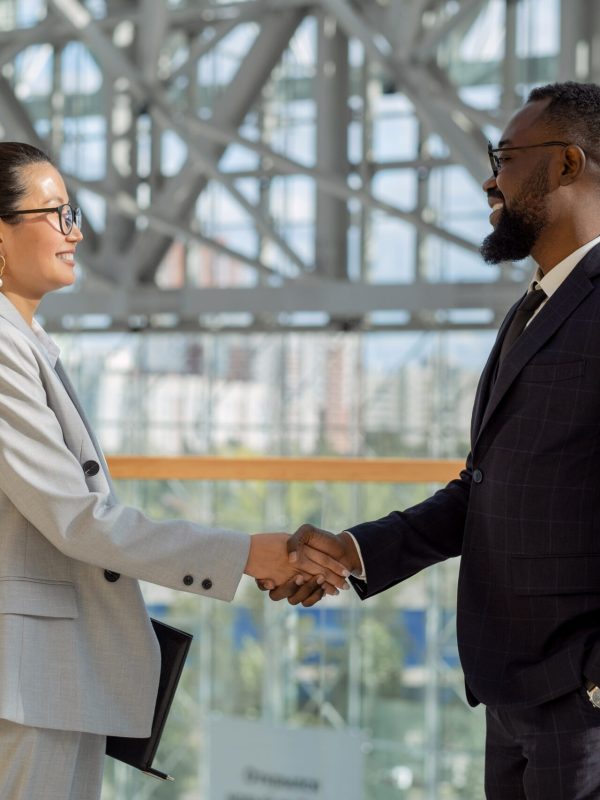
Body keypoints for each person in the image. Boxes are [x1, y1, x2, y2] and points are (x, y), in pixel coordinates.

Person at [266, 81, 600, 799]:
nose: (490, 178)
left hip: (582, 706)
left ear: (569, 166)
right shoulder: (533, 309)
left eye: (505, 157)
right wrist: (355, 551)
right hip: (512, 698)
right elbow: (486, 488)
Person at [0, 142, 349, 800]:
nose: (75, 231)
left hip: (46, 679)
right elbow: (76, 518)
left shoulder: (28, 341)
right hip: (25, 684)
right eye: (56, 213)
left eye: (74, 212)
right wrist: (246, 553)